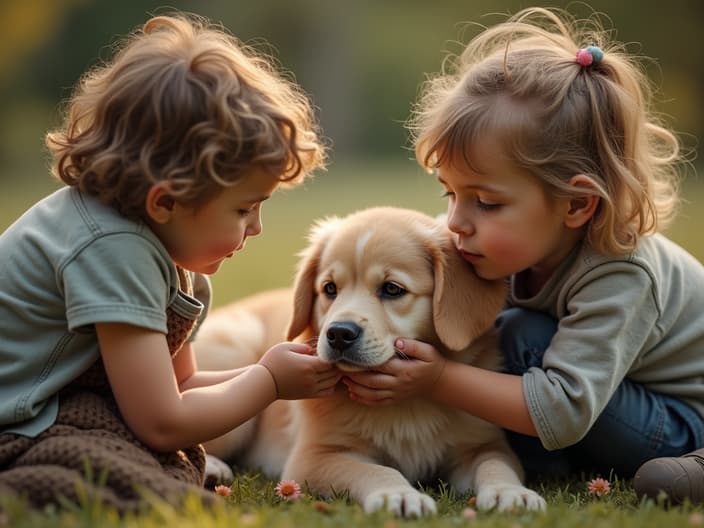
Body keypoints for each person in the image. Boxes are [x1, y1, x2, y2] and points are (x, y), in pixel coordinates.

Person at [342, 7, 704, 505]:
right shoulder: (509, 243)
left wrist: (439, 379)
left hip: (681, 418)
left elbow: (564, 407)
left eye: (486, 202)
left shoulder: (621, 272)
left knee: (522, 339)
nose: (456, 222)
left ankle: (669, 465)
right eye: (451, 194)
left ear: (577, 204)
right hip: (613, 395)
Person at [0, 13, 340, 512]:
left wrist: (275, 372)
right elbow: (161, 421)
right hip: (16, 419)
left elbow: (178, 386)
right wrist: (266, 382)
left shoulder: (158, 246)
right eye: (244, 208)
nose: (257, 228)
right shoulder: (113, 249)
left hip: (49, 403)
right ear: (166, 201)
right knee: (106, 470)